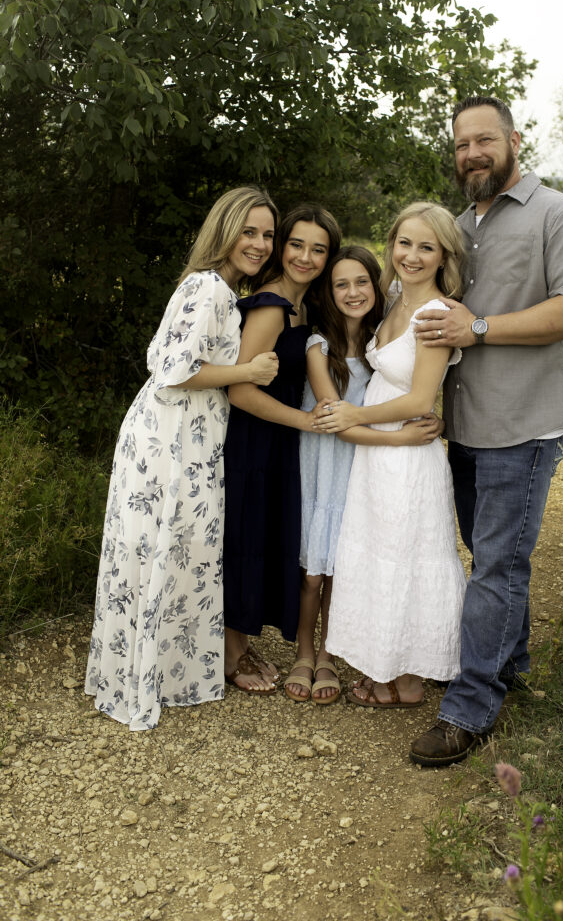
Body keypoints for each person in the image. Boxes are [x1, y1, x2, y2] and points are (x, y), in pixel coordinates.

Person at [409, 95, 563, 766]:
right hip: (464, 424)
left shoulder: (559, 215)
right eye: (461, 145)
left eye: (484, 140)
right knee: (489, 555)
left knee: (495, 563)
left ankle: (469, 708)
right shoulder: (459, 225)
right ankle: (509, 663)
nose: (471, 155)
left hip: (524, 424)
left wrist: (480, 328)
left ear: (514, 140)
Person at [85, 186, 280, 731]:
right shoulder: (209, 287)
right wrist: (248, 372)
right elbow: (173, 369)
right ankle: (145, 680)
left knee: (169, 550)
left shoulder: (215, 287)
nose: (260, 244)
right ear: (224, 230)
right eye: (249, 231)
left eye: (267, 235)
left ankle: (157, 674)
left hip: (182, 433)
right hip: (170, 438)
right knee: (166, 544)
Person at [315, 203, 468, 708]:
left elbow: (421, 400)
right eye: (405, 243)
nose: (413, 255)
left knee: (406, 557)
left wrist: (355, 419)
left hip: (406, 457)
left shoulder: (437, 314)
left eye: (427, 247)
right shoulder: (395, 299)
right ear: (392, 245)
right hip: (377, 456)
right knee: (380, 556)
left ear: (444, 254)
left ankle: (409, 677)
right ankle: (385, 666)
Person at [287, 246, 445, 704]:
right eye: (341, 284)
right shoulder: (318, 347)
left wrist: (436, 422)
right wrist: (404, 439)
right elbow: (339, 424)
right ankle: (304, 651)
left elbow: (418, 385)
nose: (353, 292)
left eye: (361, 283)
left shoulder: (383, 338)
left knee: (345, 568)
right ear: (328, 292)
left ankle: (331, 655)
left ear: (377, 288)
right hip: (329, 462)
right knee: (313, 571)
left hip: (367, 471)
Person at [222, 205, 340, 694]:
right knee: (245, 534)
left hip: (278, 437)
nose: (306, 257)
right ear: (282, 245)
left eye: (319, 249)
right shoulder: (271, 305)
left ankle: (238, 642)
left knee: (263, 534)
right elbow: (241, 390)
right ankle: (231, 654)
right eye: (297, 244)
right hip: (254, 435)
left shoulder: (304, 304)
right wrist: (306, 423)